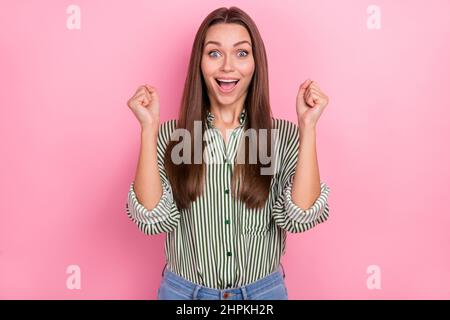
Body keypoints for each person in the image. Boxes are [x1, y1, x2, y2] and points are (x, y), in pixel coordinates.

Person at [125, 6, 331, 300]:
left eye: (241, 53)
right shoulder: (173, 137)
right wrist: (148, 129)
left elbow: (300, 218)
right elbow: (152, 220)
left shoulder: (281, 137)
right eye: (214, 53)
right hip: (185, 296)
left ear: (256, 63)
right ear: (200, 63)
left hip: (262, 296)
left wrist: (308, 126)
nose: (227, 67)